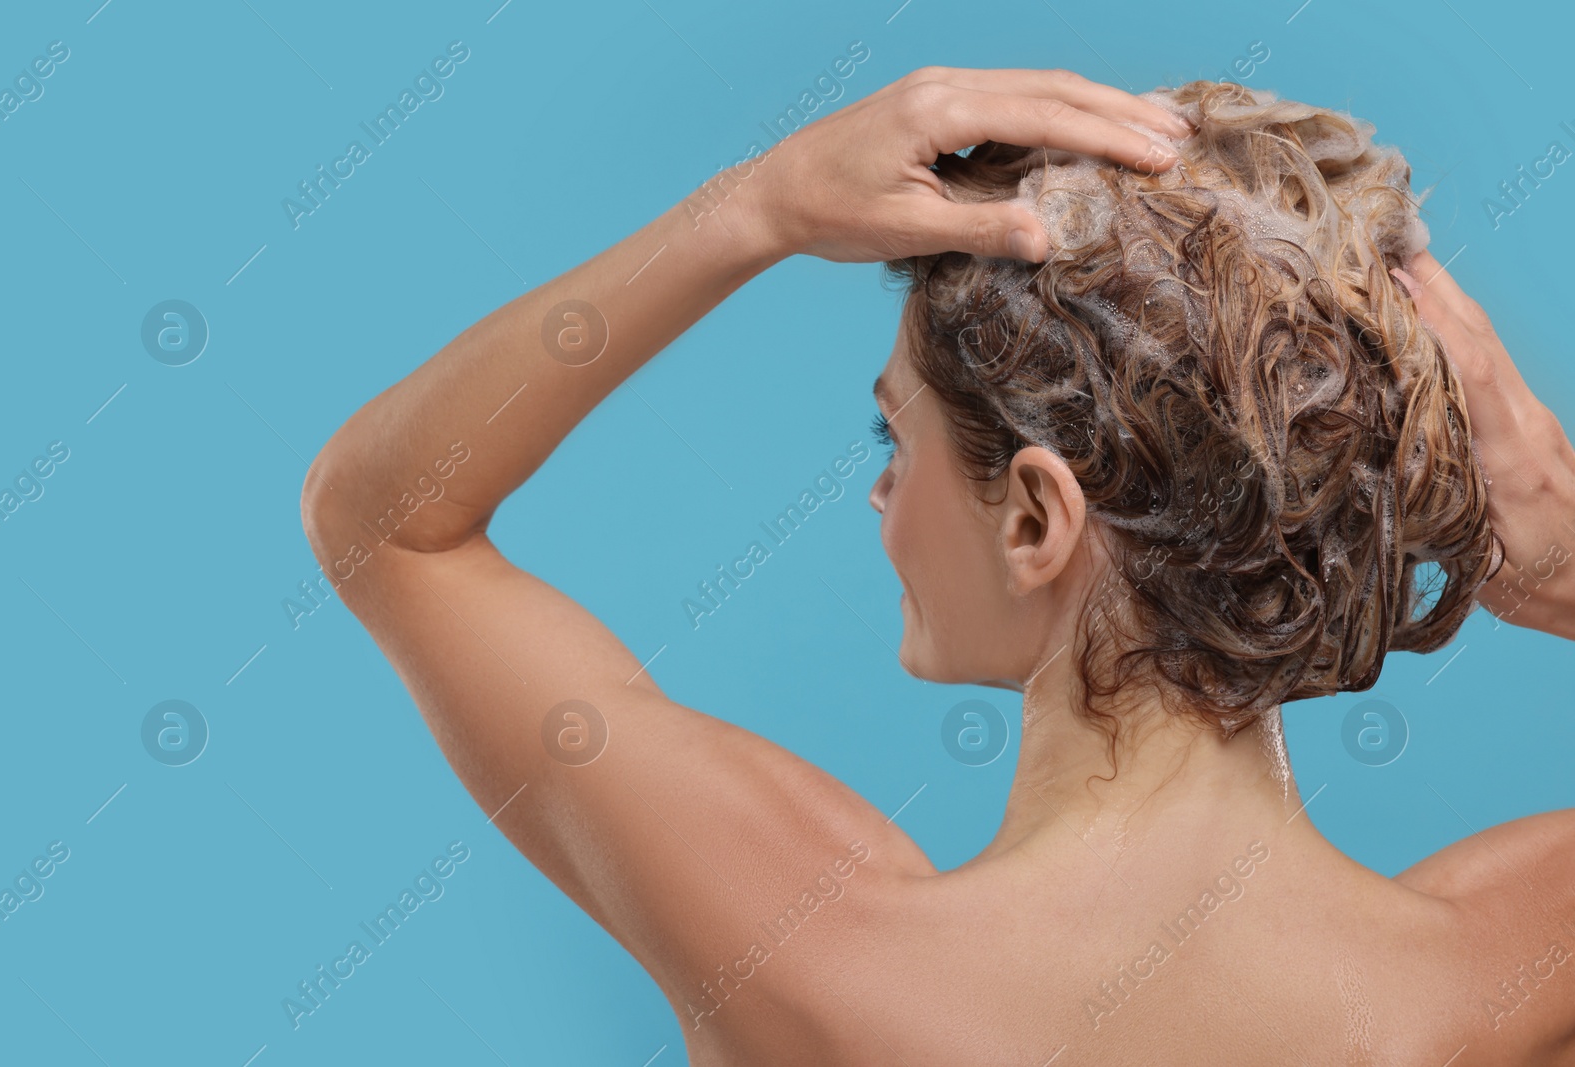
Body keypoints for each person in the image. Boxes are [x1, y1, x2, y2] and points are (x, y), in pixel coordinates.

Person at [301, 67, 1575, 1065]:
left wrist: (755, 206)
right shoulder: (1484, 982)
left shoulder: (822, 964)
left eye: (891, 433)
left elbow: (385, 521)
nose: (880, 490)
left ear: (1035, 517)